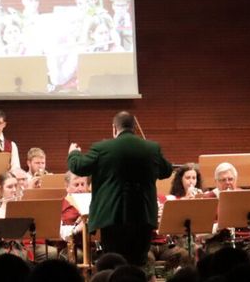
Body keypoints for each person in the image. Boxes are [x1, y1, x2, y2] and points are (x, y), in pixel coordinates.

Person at [66, 111, 173, 267]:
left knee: (114, 263)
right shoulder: (151, 148)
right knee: (138, 263)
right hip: (142, 216)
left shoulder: (102, 148)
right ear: (134, 128)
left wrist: (73, 153)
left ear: (114, 129)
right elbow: (166, 171)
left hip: (112, 217)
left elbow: (78, 167)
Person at [206, 162, 250, 269]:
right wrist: (218, 226)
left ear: (236, 180)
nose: (227, 183)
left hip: (246, 241)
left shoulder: (245, 196)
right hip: (219, 242)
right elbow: (201, 233)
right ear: (216, 182)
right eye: (223, 180)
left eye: (230, 179)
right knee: (217, 264)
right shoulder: (209, 198)